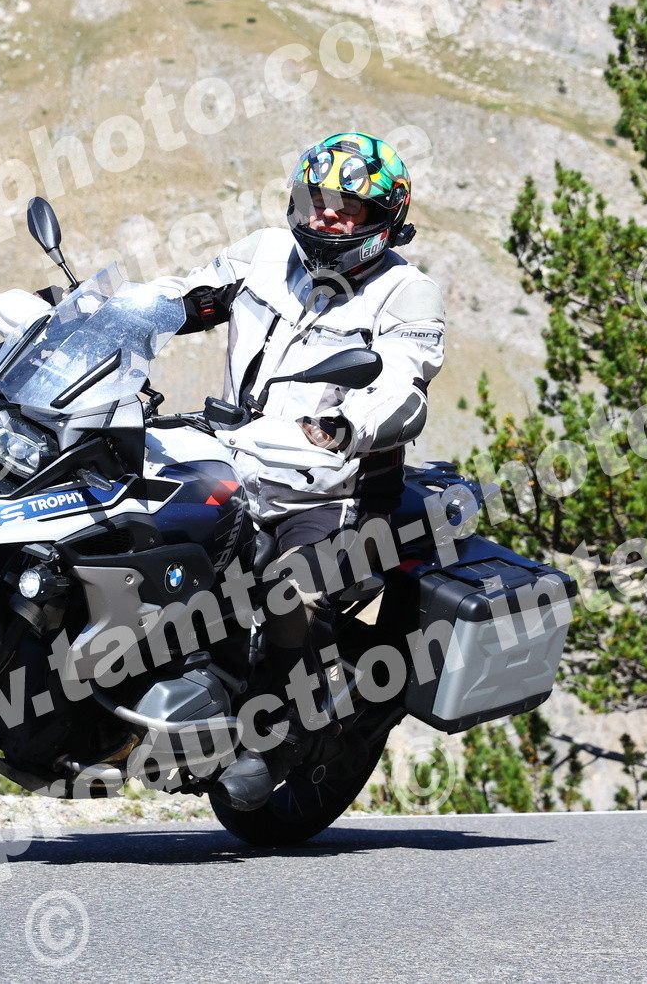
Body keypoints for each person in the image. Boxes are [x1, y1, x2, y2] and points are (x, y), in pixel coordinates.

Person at [155, 132, 446, 810]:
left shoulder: (405, 293)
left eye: (349, 206)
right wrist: (108, 314)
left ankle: (285, 733)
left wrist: (349, 426)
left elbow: (404, 388)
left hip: (335, 494)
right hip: (237, 463)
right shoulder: (264, 255)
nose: (328, 215)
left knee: (294, 591)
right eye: (317, 200)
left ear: (384, 219)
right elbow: (187, 294)